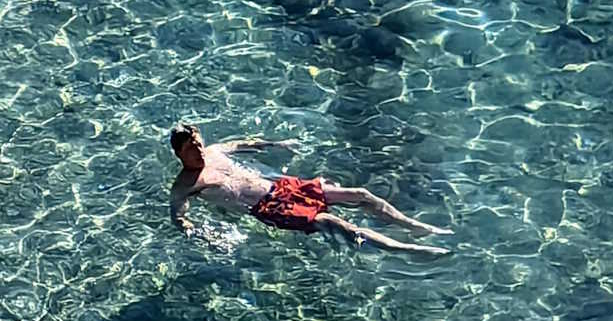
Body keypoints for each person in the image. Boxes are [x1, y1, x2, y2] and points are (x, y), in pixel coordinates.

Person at [168, 124, 451, 255]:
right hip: (269, 208)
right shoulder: (186, 183)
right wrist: (192, 230)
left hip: (283, 187)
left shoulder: (216, 151)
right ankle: (408, 248)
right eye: (191, 149)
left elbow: (246, 143)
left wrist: (278, 145)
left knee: (360, 195)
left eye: (198, 144)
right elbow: (178, 212)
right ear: (179, 155)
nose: (199, 151)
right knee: (336, 223)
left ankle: (414, 226)